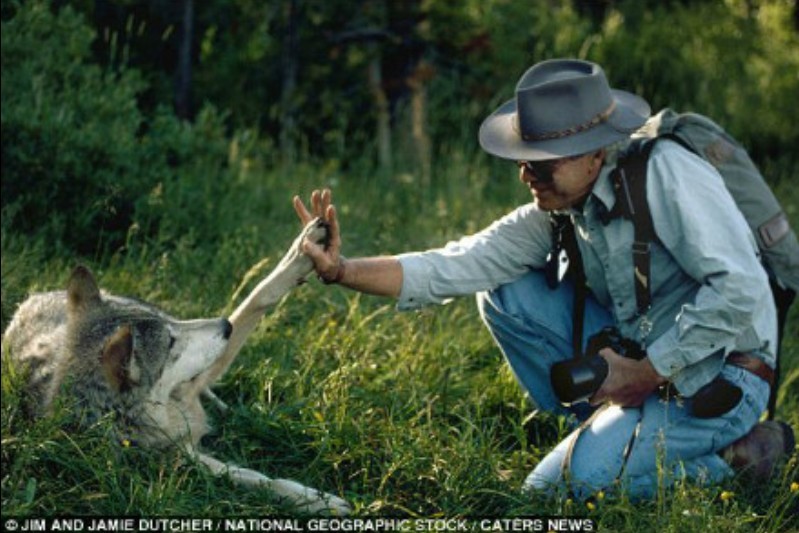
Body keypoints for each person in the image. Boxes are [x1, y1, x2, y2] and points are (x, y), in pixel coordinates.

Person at [292, 59, 794, 500]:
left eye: (542, 162)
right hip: (644, 360)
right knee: (503, 290)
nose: (526, 175)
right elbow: (452, 264)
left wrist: (649, 372)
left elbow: (741, 292)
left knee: (555, 491)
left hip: (723, 374)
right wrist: (342, 270)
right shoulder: (560, 209)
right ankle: (605, 430)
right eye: (523, 160)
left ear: (595, 152)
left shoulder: (667, 174)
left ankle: (739, 459)